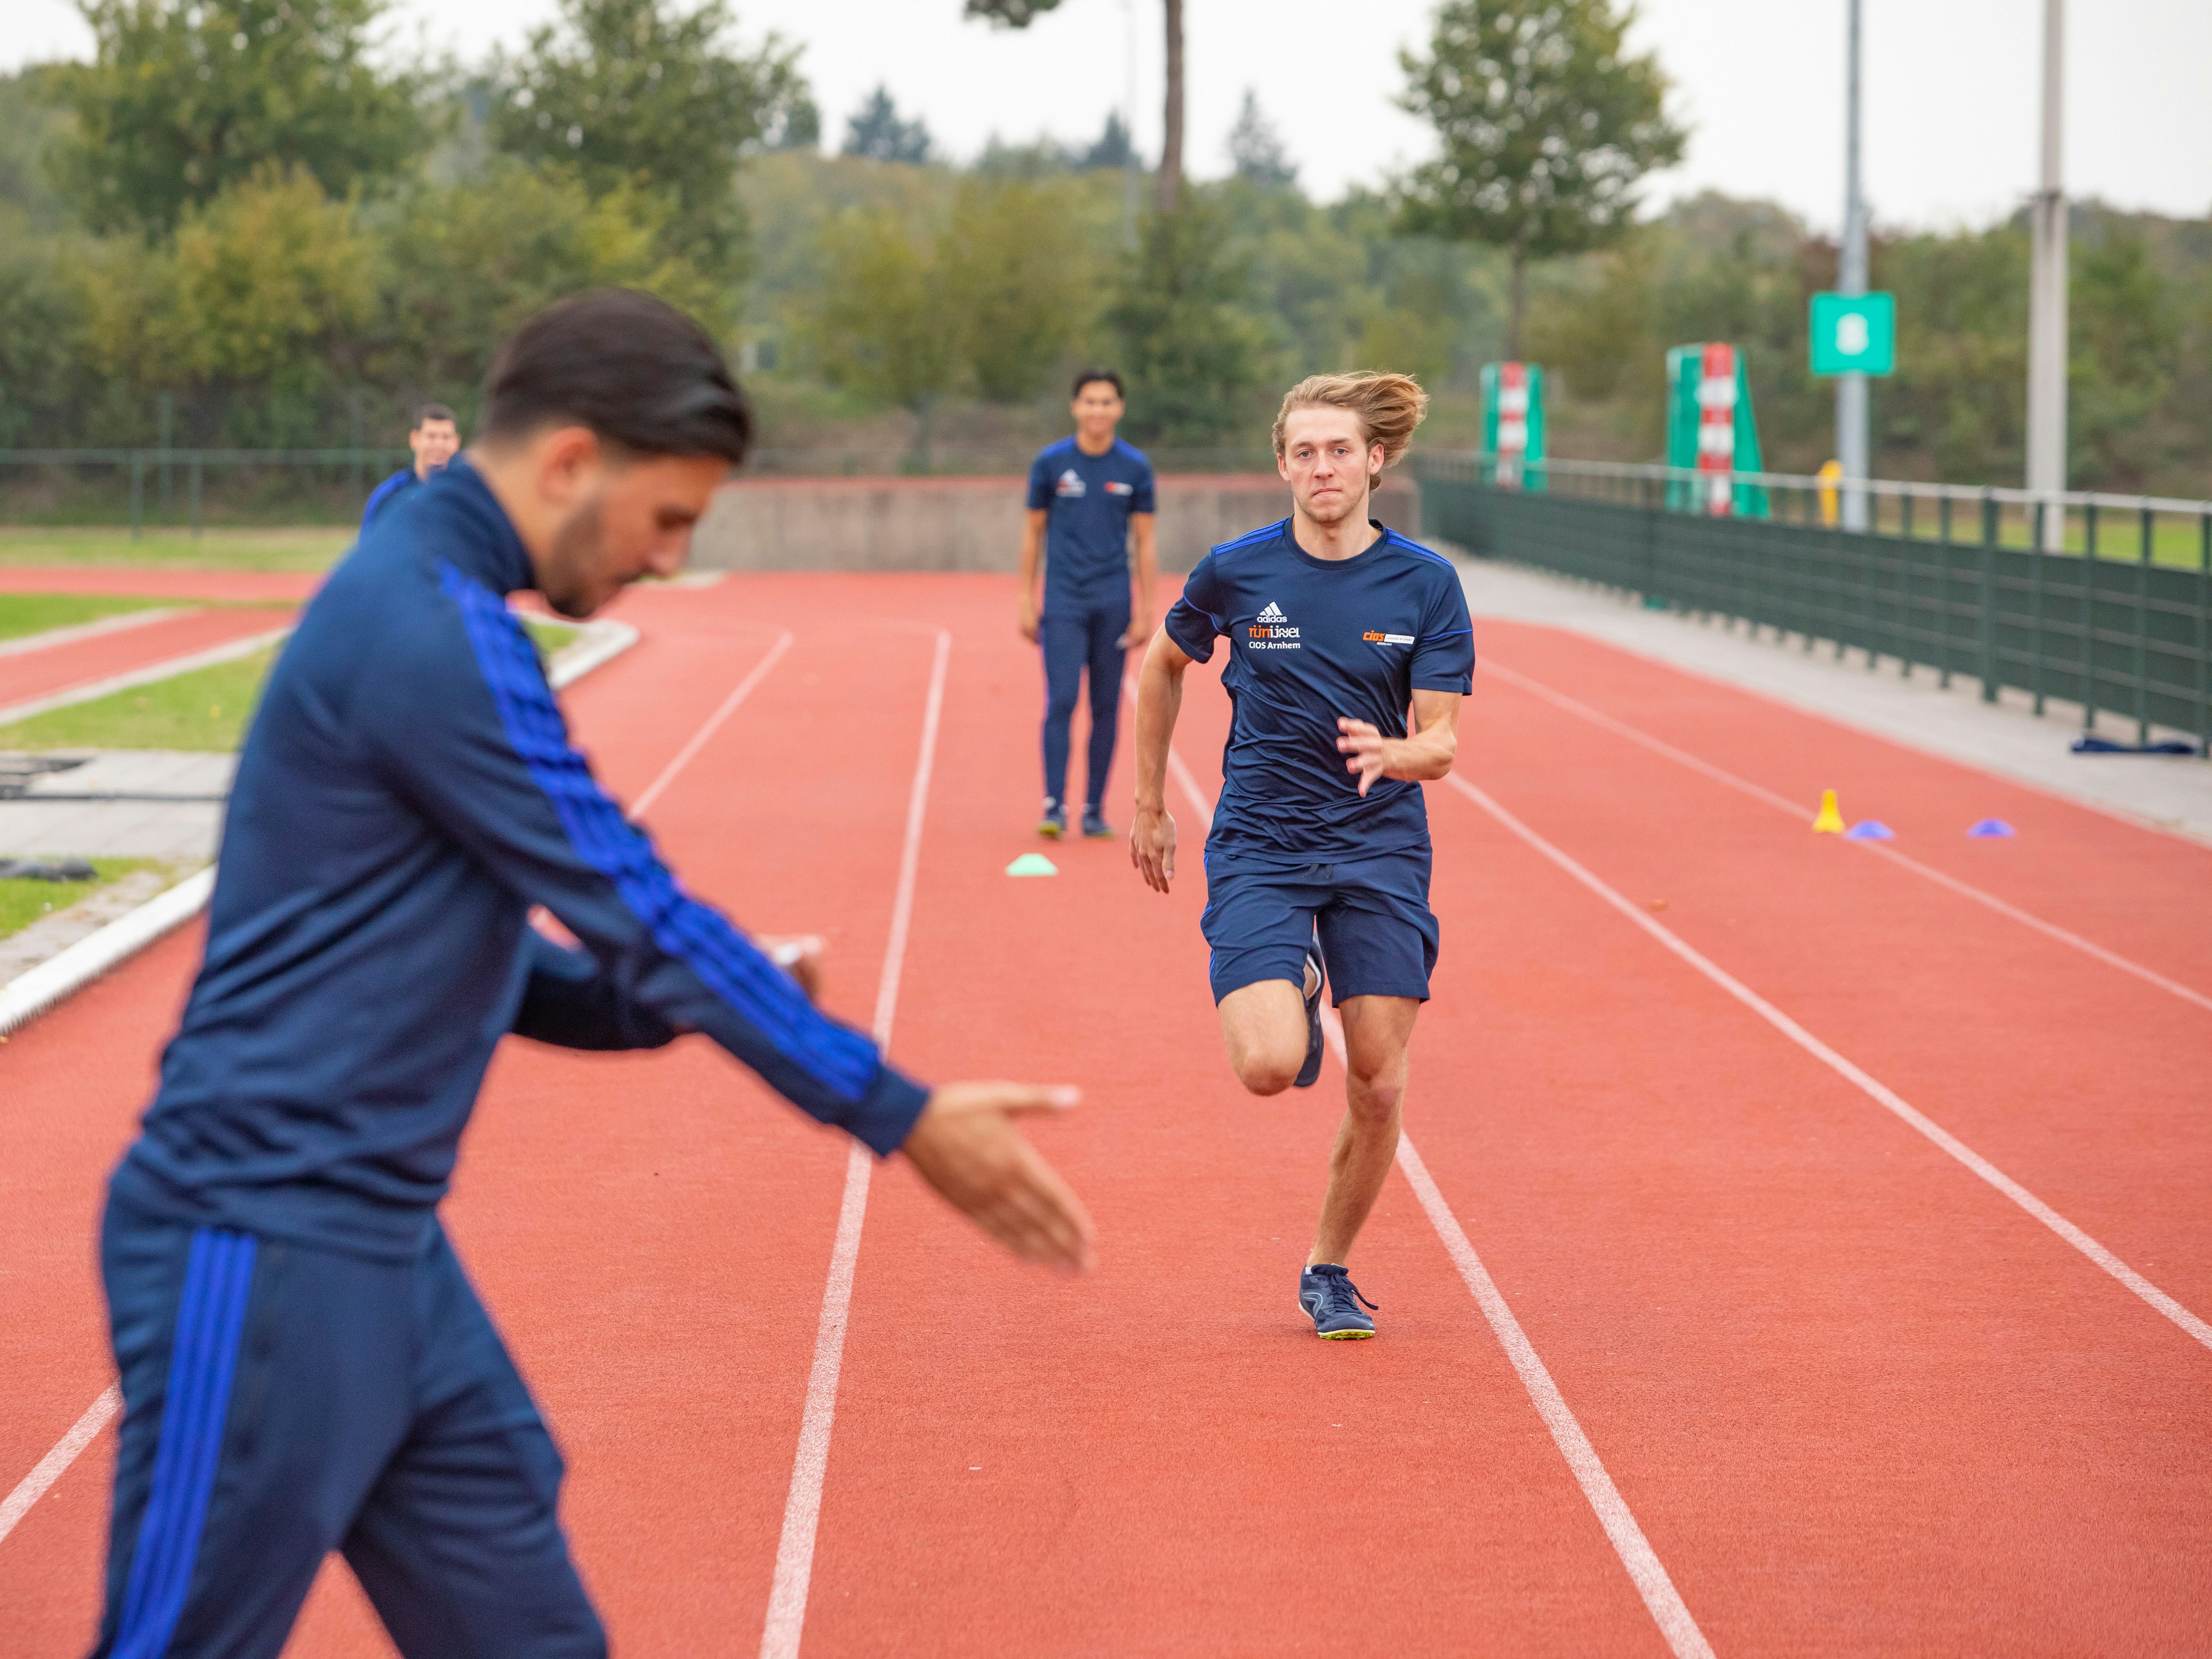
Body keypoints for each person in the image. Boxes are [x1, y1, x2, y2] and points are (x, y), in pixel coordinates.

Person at [90, 289, 1095, 1659]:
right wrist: (895, 1109)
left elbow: (491, 958)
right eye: (666, 519)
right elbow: (634, 900)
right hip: (261, 1233)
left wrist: (669, 999)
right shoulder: (432, 633)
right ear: (569, 463)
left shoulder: (439, 608)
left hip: (387, 1249)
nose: (672, 560)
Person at [1127, 372, 1471, 1341]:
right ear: (1282, 463)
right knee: (1270, 1064)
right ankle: (1300, 973)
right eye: (1304, 451)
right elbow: (1161, 664)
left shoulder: (1424, 582)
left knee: (1379, 1080)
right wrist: (1150, 803)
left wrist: (1394, 751)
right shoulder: (1235, 572)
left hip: (1378, 846)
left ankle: (1327, 1269)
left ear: (1374, 461)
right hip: (1261, 846)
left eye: (1339, 450)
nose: (1322, 467)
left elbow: (1441, 743)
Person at [1018, 369, 1158, 839]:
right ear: (1075, 407)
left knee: (1106, 706)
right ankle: (1054, 806)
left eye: (1107, 402)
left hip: (1113, 600)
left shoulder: (1135, 468)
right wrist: (1025, 598)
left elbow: (1145, 542)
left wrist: (1145, 608)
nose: (1098, 410)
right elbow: (1033, 533)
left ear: (1120, 408)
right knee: (1061, 699)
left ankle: (1094, 809)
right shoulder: (1051, 463)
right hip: (1063, 600)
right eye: (1089, 401)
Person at [361, 402, 463, 530]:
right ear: (415, 439)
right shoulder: (389, 495)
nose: (439, 444)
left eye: (446, 437)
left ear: (457, 442)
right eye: (431, 436)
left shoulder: (470, 497)